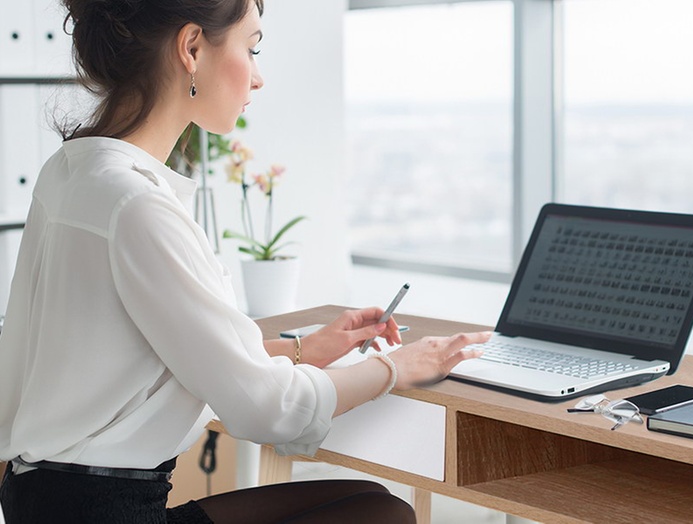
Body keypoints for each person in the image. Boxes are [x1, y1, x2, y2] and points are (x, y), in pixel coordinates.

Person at [0, 1, 489, 522]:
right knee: (382, 517)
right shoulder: (137, 205)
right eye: (251, 49)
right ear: (191, 48)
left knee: (373, 502)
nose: (258, 78)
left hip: (44, 498)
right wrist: (399, 366)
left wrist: (300, 348)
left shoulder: (73, 171)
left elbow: (152, 350)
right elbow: (266, 409)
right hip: (104, 514)